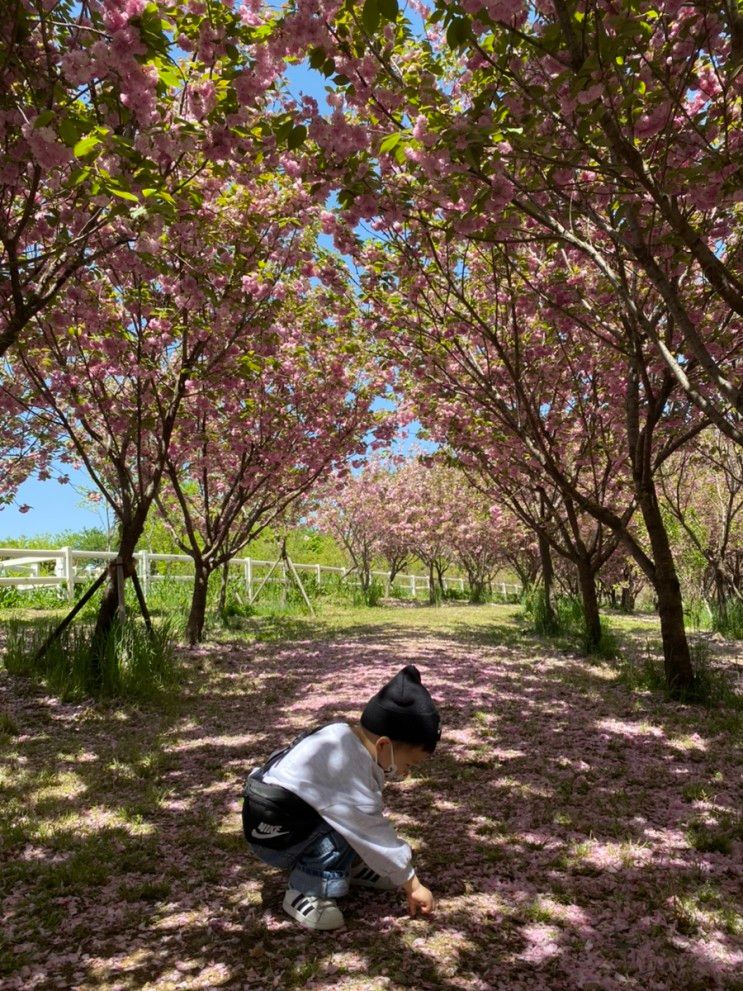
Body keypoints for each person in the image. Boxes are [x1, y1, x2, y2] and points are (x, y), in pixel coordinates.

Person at [242, 664, 441, 931]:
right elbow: (372, 831)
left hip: (274, 816)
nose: (406, 773)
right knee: (350, 823)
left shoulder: (340, 735)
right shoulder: (348, 766)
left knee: (345, 817)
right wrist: (412, 883)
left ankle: (351, 868)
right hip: (275, 834)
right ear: (384, 745)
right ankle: (307, 889)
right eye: (410, 764)